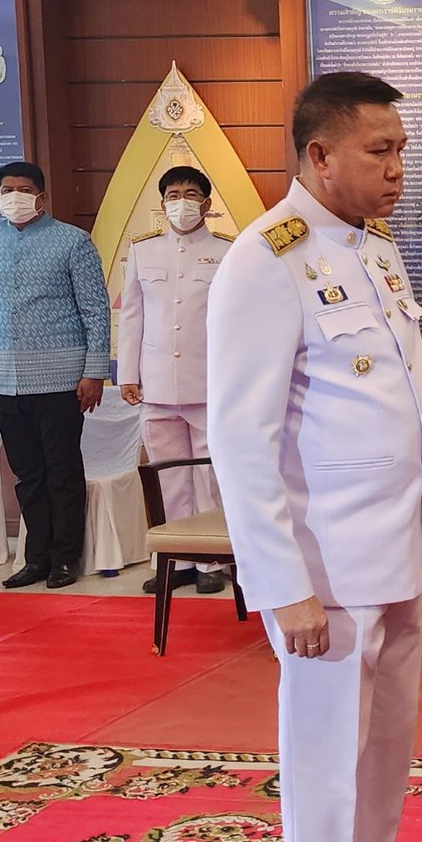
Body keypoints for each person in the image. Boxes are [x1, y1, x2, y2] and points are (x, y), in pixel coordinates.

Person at [208, 72, 422, 842]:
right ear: (319, 155)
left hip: (393, 554)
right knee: (325, 763)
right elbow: (242, 437)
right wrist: (283, 585)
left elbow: (398, 401)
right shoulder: (264, 260)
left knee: (383, 754)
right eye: (379, 152)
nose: (399, 169)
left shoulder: (374, 249)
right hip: (325, 572)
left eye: (401, 149)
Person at [0, 160, 111, 590]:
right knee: (27, 475)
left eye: (24, 189)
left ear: (42, 197)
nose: (15, 197)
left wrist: (95, 371)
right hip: (4, 381)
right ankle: (36, 558)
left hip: (62, 379)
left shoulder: (73, 241)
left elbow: (95, 310)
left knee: (61, 470)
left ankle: (66, 558)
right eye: (7, 189)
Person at [119, 165, 230, 595]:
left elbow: (234, 322)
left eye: (190, 193)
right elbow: (132, 317)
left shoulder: (225, 251)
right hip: (158, 383)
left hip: (208, 382)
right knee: (168, 475)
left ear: (206, 202)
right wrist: (128, 373)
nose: (180, 202)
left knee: (210, 475)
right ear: (162, 201)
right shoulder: (143, 251)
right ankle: (178, 558)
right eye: (172, 194)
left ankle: (211, 561)